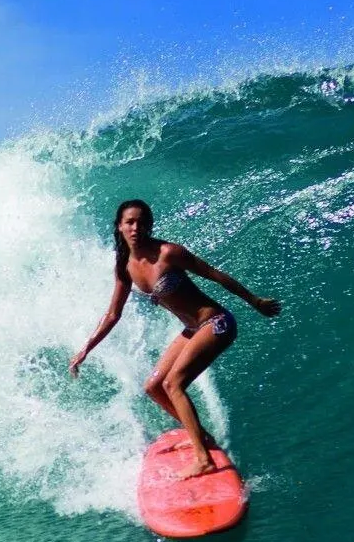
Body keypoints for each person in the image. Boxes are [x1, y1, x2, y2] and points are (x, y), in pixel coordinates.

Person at [69, 199, 280, 477]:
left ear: (150, 225)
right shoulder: (125, 267)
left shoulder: (168, 253)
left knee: (173, 383)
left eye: (142, 222)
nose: (136, 227)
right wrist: (86, 350)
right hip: (191, 329)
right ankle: (201, 437)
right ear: (119, 227)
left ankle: (204, 460)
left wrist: (255, 301)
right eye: (130, 222)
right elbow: (112, 315)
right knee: (153, 386)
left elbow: (214, 275)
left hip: (216, 323)